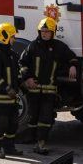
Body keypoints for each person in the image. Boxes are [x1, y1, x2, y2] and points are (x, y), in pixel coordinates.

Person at [18, 17, 78, 155]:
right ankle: (33, 140)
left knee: (46, 117)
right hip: (33, 90)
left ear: (53, 32)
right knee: (33, 116)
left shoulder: (59, 47)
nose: (44, 33)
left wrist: (73, 66)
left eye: (47, 31)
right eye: (42, 31)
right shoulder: (32, 46)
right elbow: (22, 63)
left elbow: (72, 57)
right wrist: (27, 79)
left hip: (49, 91)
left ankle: (41, 142)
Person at [0, 22, 23, 159]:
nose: (14, 39)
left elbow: (17, 74)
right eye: (12, 36)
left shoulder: (12, 55)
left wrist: (22, 85)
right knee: (0, 124)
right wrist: (7, 88)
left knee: (13, 123)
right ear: (5, 36)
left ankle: (9, 147)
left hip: (12, 98)